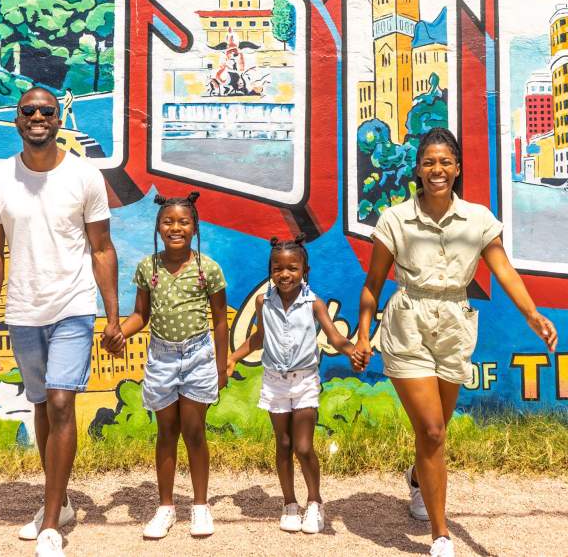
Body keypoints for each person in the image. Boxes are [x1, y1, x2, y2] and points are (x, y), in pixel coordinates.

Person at [352, 127, 558, 557]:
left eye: (445, 162)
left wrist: (532, 313)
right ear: (418, 170)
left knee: (437, 432)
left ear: (458, 168)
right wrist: (364, 331)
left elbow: (503, 270)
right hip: (408, 324)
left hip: (454, 327)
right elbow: (372, 284)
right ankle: (441, 536)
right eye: (429, 162)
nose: (437, 170)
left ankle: (415, 478)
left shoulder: (478, 219)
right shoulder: (395, 219)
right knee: (430, 429)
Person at [0, 86, 122, 557]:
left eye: (47, 111)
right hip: (23, 311)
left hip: (74, 306)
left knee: (61, 402)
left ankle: (50, 524)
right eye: (29, 110)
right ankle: (58, 505)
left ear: (59, 120)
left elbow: (102, 249)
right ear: (17, 120)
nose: (37, 116)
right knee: (41, 404)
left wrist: (113, 315)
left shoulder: (84, 177)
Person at [103, 192, 228, 540]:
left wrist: (221, 366)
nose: (175, 227)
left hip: (199, 356)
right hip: (162, 358)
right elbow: (140, 316)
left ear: (195, 226)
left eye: (183, 221)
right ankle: (166, 507)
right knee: (166, 433)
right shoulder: (149, 268)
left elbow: (220, 320)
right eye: (168, 221)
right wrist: (119, 333)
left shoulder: (208, 269)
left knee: (194, 431)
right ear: (158, 227)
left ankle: (200, 506)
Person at [227, 234, 358, 535]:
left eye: (292, 268)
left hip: (304, 381)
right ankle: (289, 503)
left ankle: (314, 501)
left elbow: (334, 337)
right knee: (283, 444)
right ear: (270, 272)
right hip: (274, 381)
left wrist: (352, 350)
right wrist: (233, 357)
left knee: (302, 446)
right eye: (277, 268)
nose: (284, 274)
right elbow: (259, 338)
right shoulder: (264, 302)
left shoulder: (314, 304)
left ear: (305, 272)